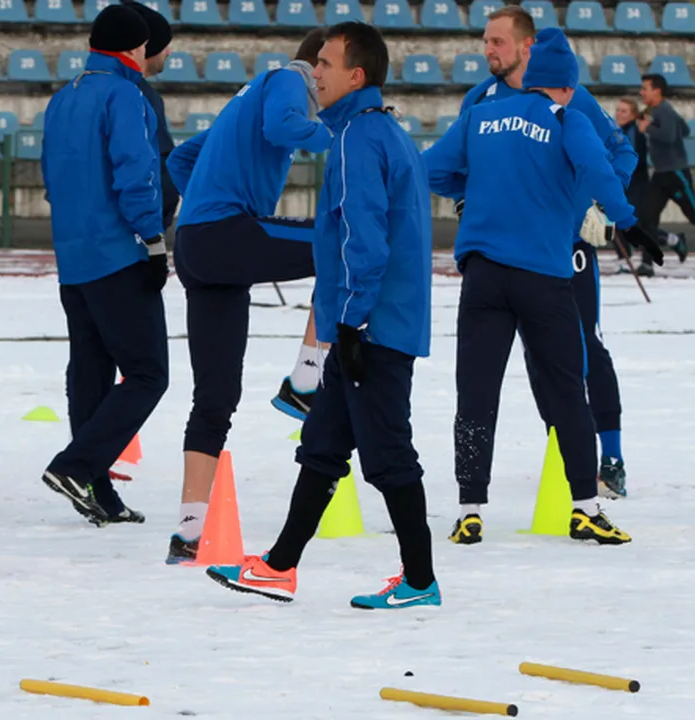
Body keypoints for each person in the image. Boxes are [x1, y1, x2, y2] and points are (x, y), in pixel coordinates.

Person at [206, 21, 440, 609]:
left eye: (328, 64)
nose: (316, 72)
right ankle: (279, 566)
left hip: (374, 328)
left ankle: (419, 581)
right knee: (323, 444)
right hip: (363, 324)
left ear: (356, 75)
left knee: (387, 455)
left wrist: (355, 322)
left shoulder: (360, 137)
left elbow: (365, 238)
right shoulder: (368, 130)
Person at [423, 27, 665, 547]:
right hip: (545, 276)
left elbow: (431, 171)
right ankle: (585, 507)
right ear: (564, 85)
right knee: (567, 391)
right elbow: (602, 171)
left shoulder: (479, 116)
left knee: (476, 393)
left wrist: (478, 191)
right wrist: (628, 221)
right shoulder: (568, 118)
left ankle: (469, 510)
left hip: (484, 276)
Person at [161, 29, 330, 563]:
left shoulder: (248, 93)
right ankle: (305, 381)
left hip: (195, 245)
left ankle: (188, 534)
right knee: (344, 241)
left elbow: (181, 160)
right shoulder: (289, 78)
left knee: (214, 398)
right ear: (319, 65)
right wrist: (340, 132)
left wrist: (209, 198)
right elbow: (284, 127)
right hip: (223, 234)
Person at [39, 5, 165, 526]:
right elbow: (136, 170)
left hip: (73, 255)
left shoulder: (62, 97)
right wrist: (153, 238)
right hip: (118, 251)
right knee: (147, 373)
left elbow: (49, 176)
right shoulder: (125, 94)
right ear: (135, 49)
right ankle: (76, 465)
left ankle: (97, 491)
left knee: (89, 373)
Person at [123, 1, 178, 232]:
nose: (169, 52)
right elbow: (158, 168)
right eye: (164, 45)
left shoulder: (78, 89)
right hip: (131, 228)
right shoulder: (141, 96)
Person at [636, 73, 694, 274]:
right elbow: (685, 130)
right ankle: (647, 263)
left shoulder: (664, 110)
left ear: (657, 91)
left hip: (676, 174)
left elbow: (669, 137)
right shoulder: (658, 110)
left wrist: (648, 128)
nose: (641, 92)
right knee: (646, 218)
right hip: (660, 174)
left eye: (645, 88)